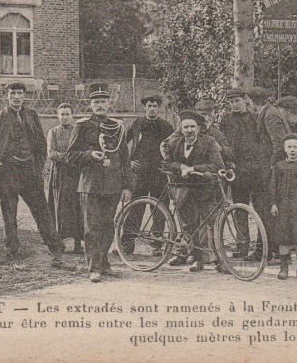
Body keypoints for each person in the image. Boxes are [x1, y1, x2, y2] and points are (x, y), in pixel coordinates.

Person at [0, 82, 72, 269]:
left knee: (42, 212)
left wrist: (37, 168)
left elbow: (40, 144)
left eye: (19, 93)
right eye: (12, 93)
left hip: (30, 172)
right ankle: (13, 253)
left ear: (24, 96)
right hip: (7, 173)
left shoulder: (31, 115)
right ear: (6, 96)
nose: (16, 97)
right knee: (9, 215)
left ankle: (56, 251)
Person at [66, 89, 133, 282]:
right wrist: (89, 155)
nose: (100, 105)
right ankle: (94, 267)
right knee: (91, 227)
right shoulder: (82, 126)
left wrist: (127, 185)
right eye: (96, 102)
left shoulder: (117, 127)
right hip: (90, 184)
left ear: (109, 104)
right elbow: (70, 155)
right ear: (90, 105)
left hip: (112, 184)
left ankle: (104, 263)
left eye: (104, 101)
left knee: (108, 226)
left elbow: (125, 159)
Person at [161, 111, 225, 273]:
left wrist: (194, 168)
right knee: (190, 226)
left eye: (192, 127)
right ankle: (197, 259)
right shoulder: (174, 144)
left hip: (205, 189)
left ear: (198, 128)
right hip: (183, 190)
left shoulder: (209, 142)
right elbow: (166, 164)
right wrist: (180, 167)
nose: (189, 130)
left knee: (212, 224)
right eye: (186, 127)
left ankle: (218, 260)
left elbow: (218, 165)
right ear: (181, 129)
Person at [218, 88, 271, 262]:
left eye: (237, 101)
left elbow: (262, 144)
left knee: (260, 210)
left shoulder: (255, 118)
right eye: (231, 102)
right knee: (239, 209)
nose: (235, 105)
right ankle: (242, 246)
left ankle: (261, 248)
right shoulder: (225, 120)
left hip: (255, 171)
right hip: (237, 171)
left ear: (245, 100)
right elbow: (222, 144)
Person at [120, 94, 175, 256]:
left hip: (159, 174)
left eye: (155, 106)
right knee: (135, 207)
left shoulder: (166, 126)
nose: (152, 109)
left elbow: (173, 147)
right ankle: (127, 245)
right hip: (140, 173)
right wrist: (129, 162)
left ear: (159, 108)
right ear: (145, 107)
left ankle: (157, 245)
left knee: (160, 209)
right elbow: (123, 143)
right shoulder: (137, 124)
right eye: (149, 106)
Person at [270, 134, 297, 281]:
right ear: (284, 149)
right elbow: (273, 187)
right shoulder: (279, 167)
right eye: (289, 147)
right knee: (284, 238)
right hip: (283, 207)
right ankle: (283, 268)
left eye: (295, 147)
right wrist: (273, 203)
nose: (292, 150)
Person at [46, 103, 83, 253]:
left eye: (68, 114)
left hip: (75, 173)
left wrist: (74, 158)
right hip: (59, 173)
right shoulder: (53, 132)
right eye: (62, 114)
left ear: (72, 116)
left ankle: (78, 244)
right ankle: (59, 243)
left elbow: (81, 150)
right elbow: (51, 153)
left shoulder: (77, 131)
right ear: (58, 116)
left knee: (77, 206)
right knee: (59, 206)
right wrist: (67, 157)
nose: (65, 117)